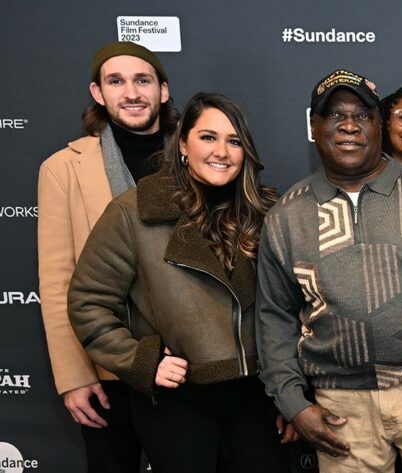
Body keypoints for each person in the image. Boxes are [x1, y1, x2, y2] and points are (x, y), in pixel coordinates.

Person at [256, 69, 402, 473]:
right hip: (339, 407)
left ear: (379, 126)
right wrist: (294, 403)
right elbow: (273, 318)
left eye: (362, 116)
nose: (349, 125)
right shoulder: (287, 215)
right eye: (334, 116)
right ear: (314, 127)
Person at [67, 92, 288, 472]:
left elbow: (291, 309)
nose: (222, 151)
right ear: (183, 144)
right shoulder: (134, 211)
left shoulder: (267, 212)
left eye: (234, 141)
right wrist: (140, 360)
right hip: (177, 402)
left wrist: (292, 394)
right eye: (208, 137)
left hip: (257, 397)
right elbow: (88, 301)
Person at [38, 40, 177, 473]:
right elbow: (60, 280)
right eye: (116, 81)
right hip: (108, 368)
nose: (131, 92)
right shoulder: (63, 168)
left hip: (187, 360)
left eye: (143, 80)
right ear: (98, 93)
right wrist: (75, 376)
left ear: (163, 91)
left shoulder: (200, 155)